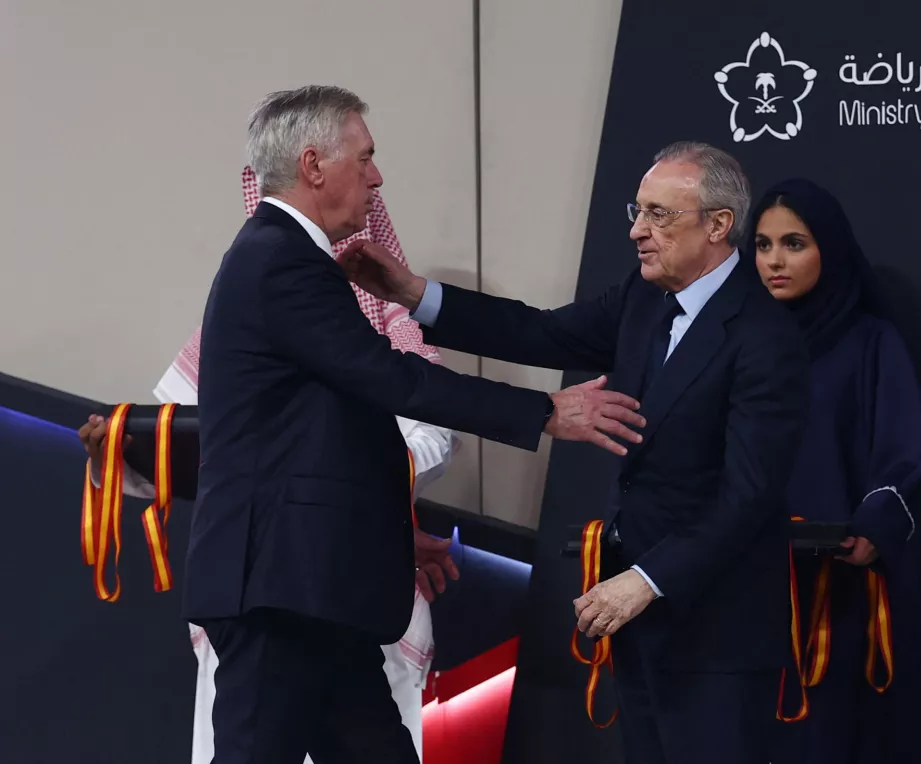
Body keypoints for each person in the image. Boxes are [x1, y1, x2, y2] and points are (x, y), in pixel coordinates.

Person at [177, 85, 643, 764]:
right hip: (280, 587)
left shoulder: (281, 257)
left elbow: (328, 429)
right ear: (313, 165)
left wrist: (392, 532)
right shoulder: (280, 260)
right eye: (364, 158)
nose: (376, 176)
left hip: (313, 583)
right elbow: (392, 378)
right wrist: (544, 411)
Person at [344, 141, 811, 764]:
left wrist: (645, 582)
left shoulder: (765, 337)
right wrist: (413, 293)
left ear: (719, 225)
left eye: (659, 215)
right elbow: (540, 332)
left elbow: (748, 495)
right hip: (641, 619)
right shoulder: (644, 299)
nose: (637, 231)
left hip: (715, 633)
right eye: (636, 210)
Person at [78, 167, 456, 763]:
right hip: (264, 585)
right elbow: (202, 449)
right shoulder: (242, 316)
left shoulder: (389, 327)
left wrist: (378, 514)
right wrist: (117, 454)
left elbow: (430, 440)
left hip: (359, 581)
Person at [750, 178, 921, 764]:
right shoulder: (737, 340)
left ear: (830, 247)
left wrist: (872, 529)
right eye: (762, 244)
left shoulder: (868, 342)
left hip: (832, 587)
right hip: (736, 579)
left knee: (822, 738)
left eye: (794, 243)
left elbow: (904, 448)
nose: (775, 260)